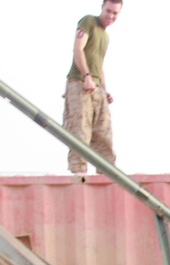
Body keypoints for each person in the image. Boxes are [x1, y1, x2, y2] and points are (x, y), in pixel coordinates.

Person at [63, 0, 123, 174]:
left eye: (115, 13)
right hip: (79, 84)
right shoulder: (89, 22)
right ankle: (79, 174)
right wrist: (86, 76)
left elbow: (99, 65)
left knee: (104, 133)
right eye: (108, 11)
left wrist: (104, 89)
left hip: (96, 87)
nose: (111, 16)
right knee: (80, 131)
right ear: (102, 8)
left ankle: (107, 174)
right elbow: (78, 50)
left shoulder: (105, 36)